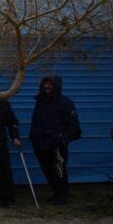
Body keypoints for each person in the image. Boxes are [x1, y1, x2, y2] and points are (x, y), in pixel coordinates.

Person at [29, 76, 81, 206]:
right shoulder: (40, 101)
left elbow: (74, 126)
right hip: (41, 142)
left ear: (57, 86)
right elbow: (36, 120)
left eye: (51, 84)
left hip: (57, 144)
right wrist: (33, 136)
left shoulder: (65, 102)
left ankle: (62, 196)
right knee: (47, 170)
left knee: (59, 170)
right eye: (45, 83)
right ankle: (56, 193)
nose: (47, 86)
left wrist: (63, 140)